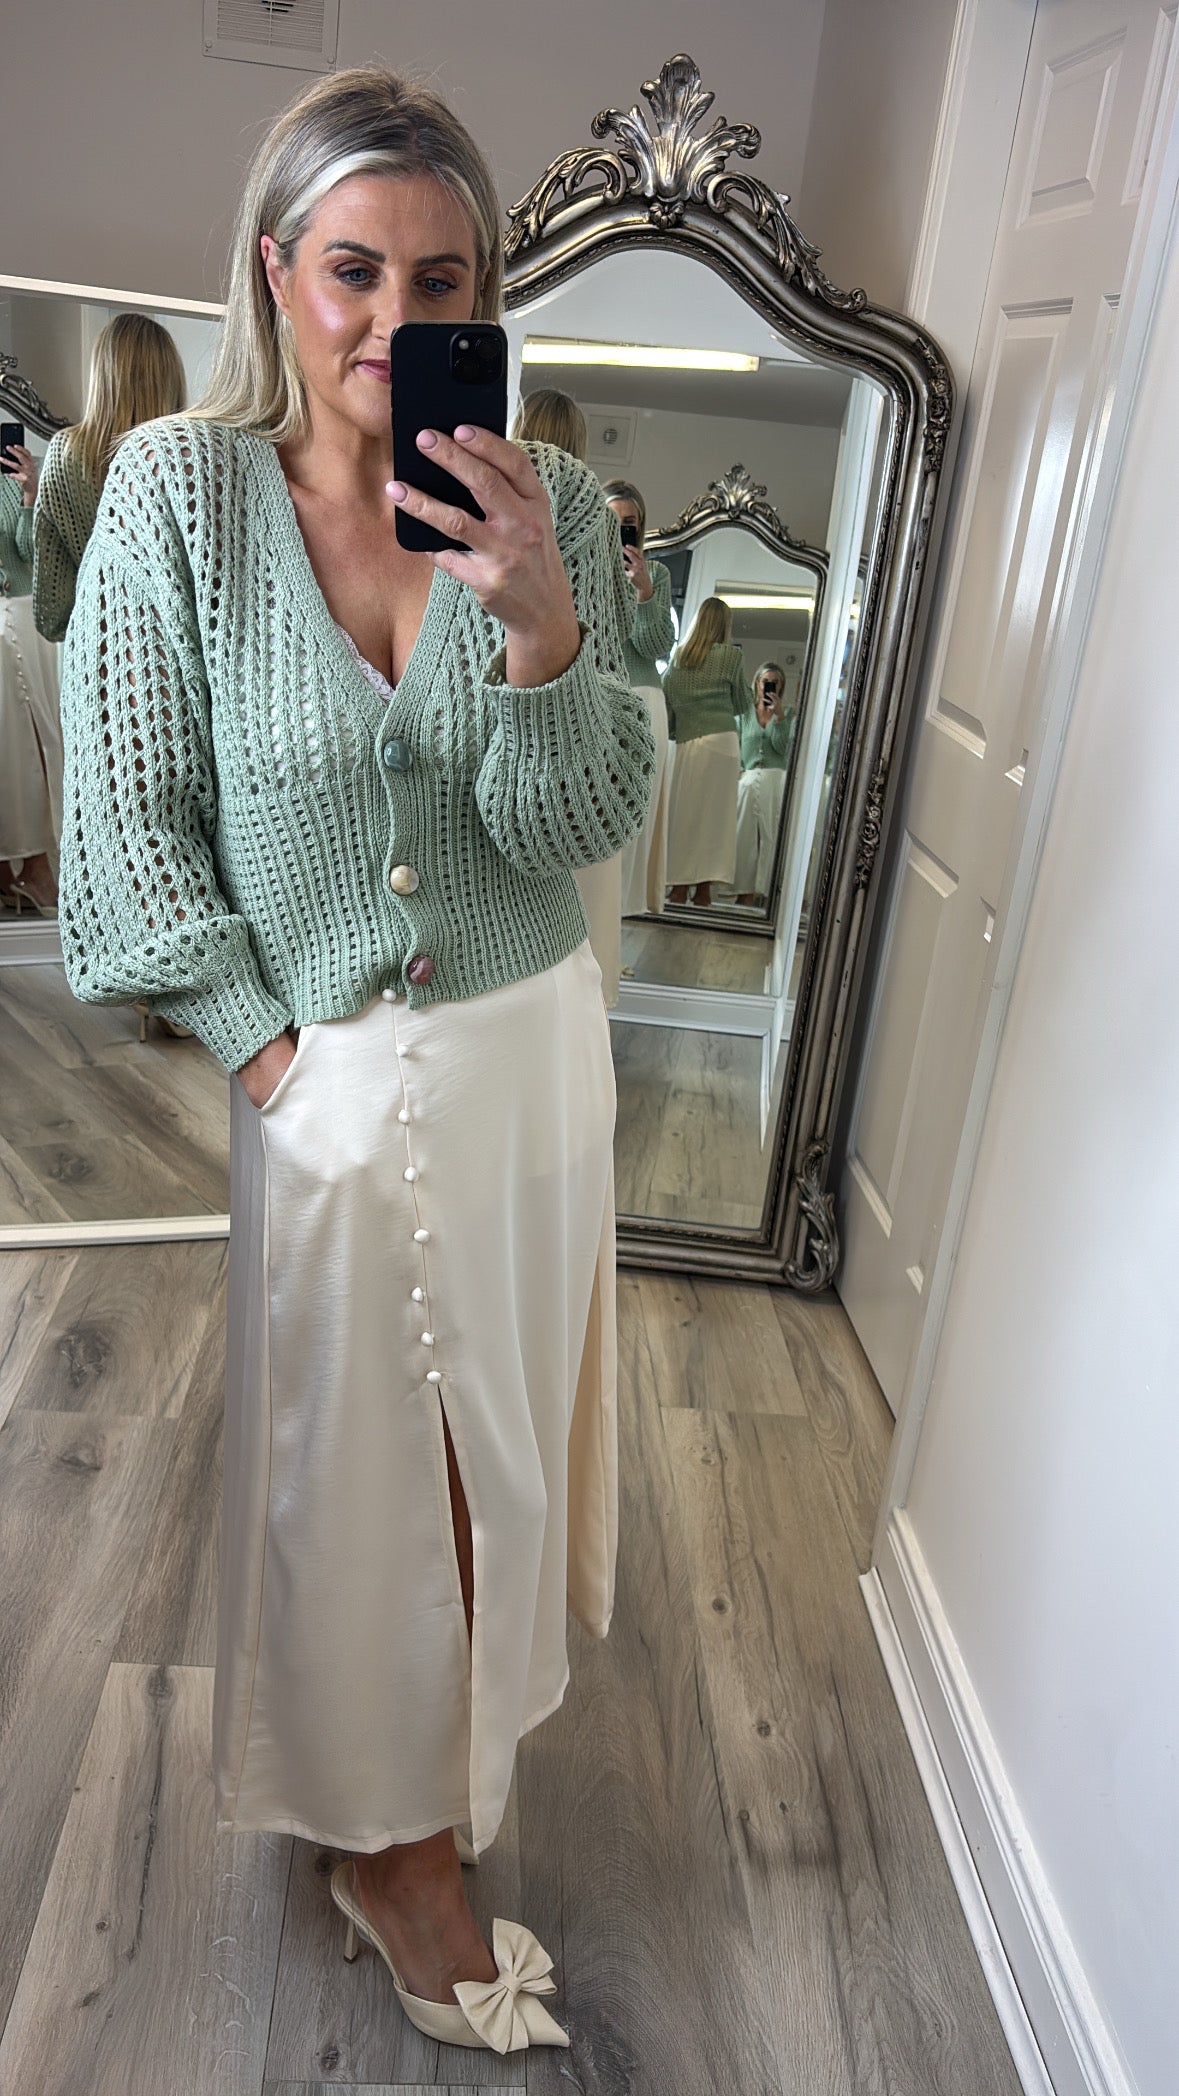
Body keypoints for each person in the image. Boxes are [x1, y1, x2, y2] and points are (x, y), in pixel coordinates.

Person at [57, 65, 653, 2057]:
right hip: (322, 1077)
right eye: (351, 271)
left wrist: (544, 629)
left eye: (441, 278)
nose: (395, 320)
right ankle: (391, 1849)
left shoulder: (534, 497)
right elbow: (127, 831)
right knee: (363, 1483)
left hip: (526, 1057)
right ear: (271, 270)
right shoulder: (178, 495)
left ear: (487, 291)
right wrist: (264, 1054)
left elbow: (577, 821)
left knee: (484, 1463)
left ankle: (420, 1801)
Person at [510, 386, 624, 1004]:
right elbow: (618, 629)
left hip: (510, 699)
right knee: (584, 868)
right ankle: (589, 996)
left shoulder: (491, 503)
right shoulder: (597, 520)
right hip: (582, 704)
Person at [33, 312, 186, 642]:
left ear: (101, 376)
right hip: (178, 656)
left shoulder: (66, 455)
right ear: (172, 377)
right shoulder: (191, 459)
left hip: (100, 653)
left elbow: (52, 613)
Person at [602, 478, 675, 917]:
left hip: (645, 697)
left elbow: (655, 646)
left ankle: (621, 920)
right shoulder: (580, 569)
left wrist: (644, 592)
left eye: (628, 522)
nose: (621, 529)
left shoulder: (657, 576)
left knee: (636, 814)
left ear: (640, 525)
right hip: (598, 698)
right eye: (612, 521)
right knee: (600, 809)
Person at [0, 441, 62, 915]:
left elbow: (31, 556)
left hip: (26, 611)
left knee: (40, 739)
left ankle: (40, 865)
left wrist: (29, 496)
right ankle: (9, 872)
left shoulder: (30, 469)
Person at [662, 594, 749, 905]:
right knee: (717, 820)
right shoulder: (731, 657)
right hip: (723, 742)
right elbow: (742, 703)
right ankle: (703, 890)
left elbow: (669, 706)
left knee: (685, 815)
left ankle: (678, 887)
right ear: (724, 625)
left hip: (689, 743)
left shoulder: (678, 658)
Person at [734, 660, 794, 905]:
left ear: (781, 686)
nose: (770, 686)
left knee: (769, 836)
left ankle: (764, 891)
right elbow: (737, 747)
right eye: (765, 681)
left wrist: (779, 717)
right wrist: (739, 771)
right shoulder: (744, 715)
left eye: (775, 682)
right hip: (747, 782)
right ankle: (744, 891)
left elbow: (782, 748)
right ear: (757, 683)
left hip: (774, 781)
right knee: (745, 835)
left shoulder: (787, 714)